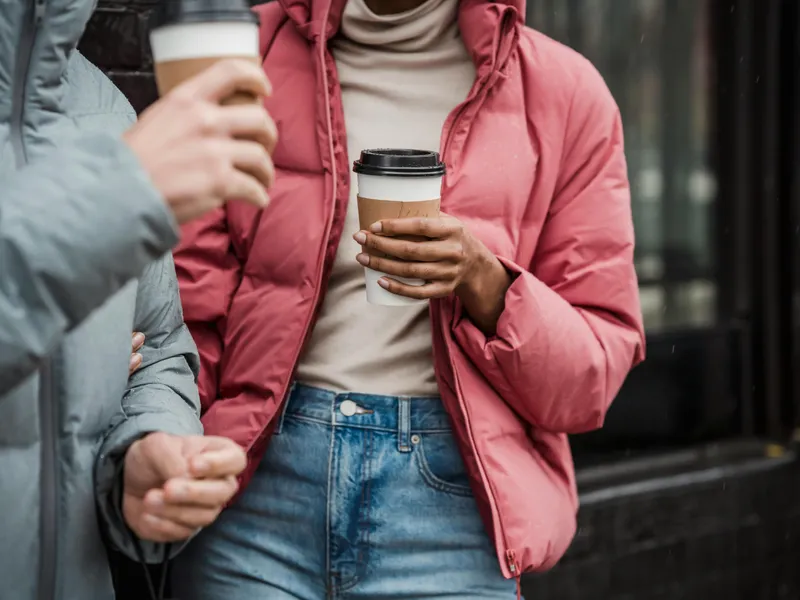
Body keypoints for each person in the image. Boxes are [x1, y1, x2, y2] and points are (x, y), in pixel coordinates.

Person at [172, 0, 645, 597]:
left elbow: (590, 379)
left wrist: (485, 281)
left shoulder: (565, 94)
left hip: (450, 508)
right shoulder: (245, 52)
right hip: (257, 490)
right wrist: (173, 442)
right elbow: (188, 306)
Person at [0, 0, 277, 599]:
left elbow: (156, 348)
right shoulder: (132, 158)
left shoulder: (106, 109)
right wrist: (111, 203)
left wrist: (139, 453)